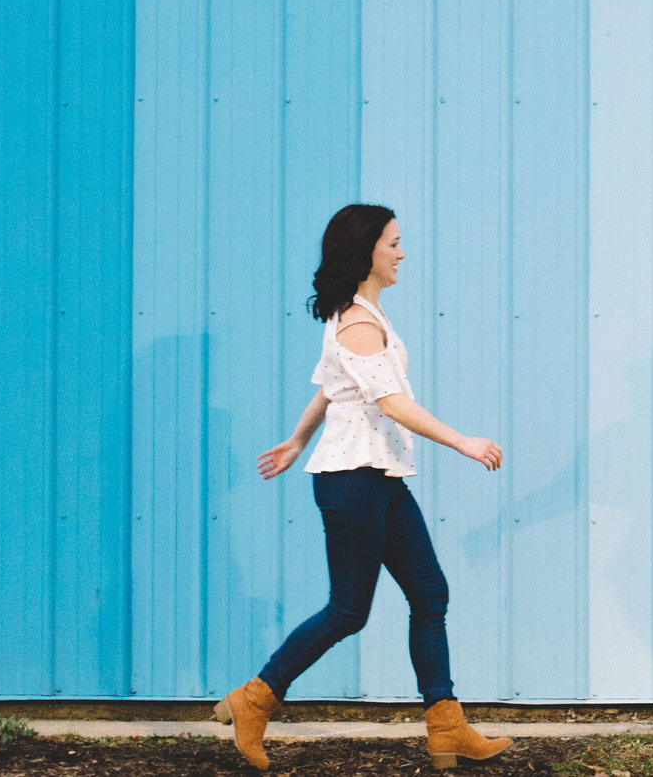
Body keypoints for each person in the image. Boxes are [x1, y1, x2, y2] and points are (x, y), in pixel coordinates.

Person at [213, 203, 514, 772]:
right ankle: (254, 699)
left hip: (378, 478)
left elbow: (330, 387)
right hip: (352, 481)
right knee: (348, 610)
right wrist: (463, 441)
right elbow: (391, 402)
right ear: (366, 251)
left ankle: (445, 725)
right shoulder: (357, 321)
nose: (402, 253)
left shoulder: (363, 315)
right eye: (393, 243)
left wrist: (297, 440)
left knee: (430, 594)